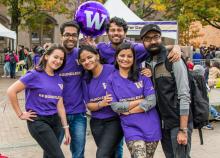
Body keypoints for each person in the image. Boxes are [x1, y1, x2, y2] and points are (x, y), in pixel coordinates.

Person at [84, 17, 181, 157]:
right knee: (112, 151)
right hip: (114, 112)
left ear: (125, 32)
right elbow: (88, 57)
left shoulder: (135, 48)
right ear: (107, 32)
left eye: (119, 30)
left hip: (140, 117)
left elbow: (157, 46)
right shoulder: (101, 49)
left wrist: (176, 46)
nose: (116, 33)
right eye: (112, 30)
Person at [7, 44, 71, 158]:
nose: (58, 61)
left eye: (61, 59)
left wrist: (66, 128)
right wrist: (20, 114)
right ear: (46, 56)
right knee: (58, 156)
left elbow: (60, 105)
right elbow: (11, 91)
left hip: (55, 122)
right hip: (38, 121)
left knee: (49, 155)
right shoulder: (34, 74)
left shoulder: (59, 79)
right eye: (55, 57)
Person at [141, 24, 192, 158]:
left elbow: (184, 94)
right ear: (143, 42)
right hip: (162, 124)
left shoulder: (173, 59)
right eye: (148, 38)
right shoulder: (145, 63)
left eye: (156, 37)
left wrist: (183, 129)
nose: (152, 41)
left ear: (161, 38)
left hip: (177, 122)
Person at [107, 43, 161, 158]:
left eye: (129, 56)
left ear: (134, 58)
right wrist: (139, 100)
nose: (125, 59)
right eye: (122, 55)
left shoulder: (143, 74)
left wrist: (129, 111)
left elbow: (151, 101)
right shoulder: (111, 79)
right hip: (131, 128)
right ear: (116, 57)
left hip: (151, 126)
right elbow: (115, 106)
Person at [79, 45, 123, 158]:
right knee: (109, 154)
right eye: (83, 60)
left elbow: (128, 78)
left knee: (102, 155)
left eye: (89, 57)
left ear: (97, 56)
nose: (87, 61)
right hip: (96, 123)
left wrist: (145, 71)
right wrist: (101, 103)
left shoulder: (112, 69)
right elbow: (89, 105)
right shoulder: (85, 79)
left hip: (114, 121)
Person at [58, 21, 87, 158]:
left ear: (78, 37)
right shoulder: (54, 56)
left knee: (78, 153)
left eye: (74, 35)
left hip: (78, 113)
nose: (71, 38)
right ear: (61, 36)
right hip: (55, 113)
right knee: (52, 152)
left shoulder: (82, 55)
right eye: (67, 35)